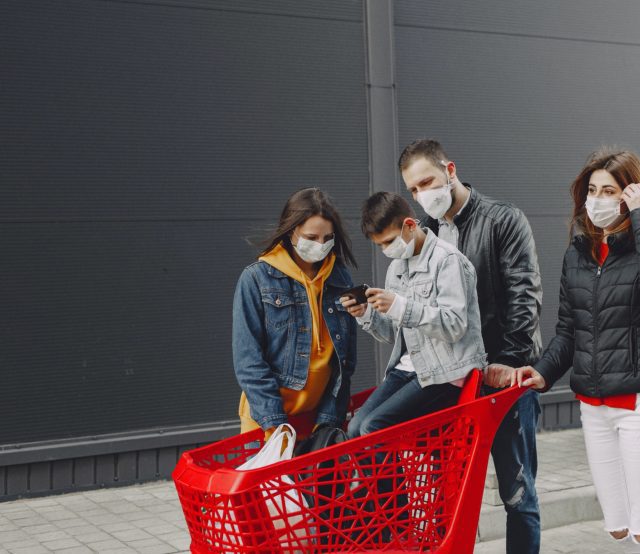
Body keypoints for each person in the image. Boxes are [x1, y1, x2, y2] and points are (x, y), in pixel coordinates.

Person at [507, 147, 640, 554]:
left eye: (610, 190)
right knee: (620, 528)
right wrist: (543, 371)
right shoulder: (579, 255)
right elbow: (569, 329)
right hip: (594, 407)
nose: (598, 198)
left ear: (630, 195)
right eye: (593, 189)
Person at [399, 139, 544, 553]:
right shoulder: (425, 234)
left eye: (426, 181)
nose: (422, 194)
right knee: (450, 499)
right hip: (452, 385)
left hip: (502, 382)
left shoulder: (502, 220)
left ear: (450, 169)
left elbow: (524, 294)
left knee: (518, 495)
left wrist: (509, 361)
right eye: (412, 190)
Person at [343, 192, 486, 437]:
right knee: (356, 427)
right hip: (409, 369)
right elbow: (394, 334)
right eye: (380, 245)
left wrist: (401, 306)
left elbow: (455, 325)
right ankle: (388, 477)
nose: (386, 250)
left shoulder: (447, 260)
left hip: (446, 372)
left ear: (409, 225)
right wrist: (366, 314)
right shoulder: (396, 268)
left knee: (373, 427)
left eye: (388, 242)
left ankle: (394, 478)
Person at [232, 187, 358, 438]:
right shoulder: (256, 279)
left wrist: (328, 420)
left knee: (322, 479)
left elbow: (344, 361)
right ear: (292, 232)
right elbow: (248, 361)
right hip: (266, 420)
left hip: (318, 420)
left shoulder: (339, 277)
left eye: (327, 238)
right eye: (312, 237)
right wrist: (274, 424)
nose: (320, 246)